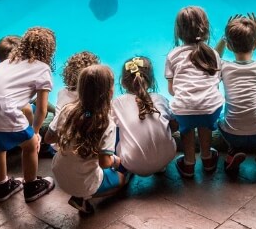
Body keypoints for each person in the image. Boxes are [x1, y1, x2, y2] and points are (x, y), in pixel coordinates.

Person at [0, 27, 56, 203]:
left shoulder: (4, 64)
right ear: (49, 50)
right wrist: (36, 132)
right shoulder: (42, 68)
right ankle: (31, 186)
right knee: (30, 144)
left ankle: (2, 186)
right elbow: (41, 109)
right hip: (2, 108)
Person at [45, 64, 127, 215]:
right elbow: (105, 163)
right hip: (84, 184)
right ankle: (83, 197)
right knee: (122, 180)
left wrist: (69, 134)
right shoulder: (107, 123)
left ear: (80, 89)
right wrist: (116, 160)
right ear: (109, 93)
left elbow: (49, 138)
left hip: (59, 174)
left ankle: (81, 193)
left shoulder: (67, 110)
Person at [214, 13, 256, 177]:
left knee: (219, 118)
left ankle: (233, 150)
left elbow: (213, 59)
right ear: (255, 45)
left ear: (229, 46)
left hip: (233, 135)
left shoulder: (224, 67)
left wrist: (224, 37)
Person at [165, 6, 224, 178]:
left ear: (179, 31)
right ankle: (207, 158)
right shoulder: (213, 54)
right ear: (205, 29)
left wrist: (189, 96)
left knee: (187, 125)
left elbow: (172, 90)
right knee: (204, 120)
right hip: (211, 108)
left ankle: (189, 163)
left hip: (184, 110)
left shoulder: (173, 55)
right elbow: (215, 85)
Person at [113, 56, 177, 176]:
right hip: (167, 156)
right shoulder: (160, 99)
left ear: (122, 82)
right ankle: (158, 164)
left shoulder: (117, 103)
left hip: (132, 162)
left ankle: (123, 171)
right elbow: (175, 126)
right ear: (152, 80)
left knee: (114, 127)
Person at [0, 34, 57, 156]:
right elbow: (30, 108)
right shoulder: (25, 76)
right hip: (16, 124)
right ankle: (42, 148)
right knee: (48, 120)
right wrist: (34, 132)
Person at [48, 51, 100, 135]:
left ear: (69, 73)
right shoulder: (97, 97)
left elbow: (55, 126)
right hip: (84, 143)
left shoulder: (62, 93)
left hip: (58, 143)